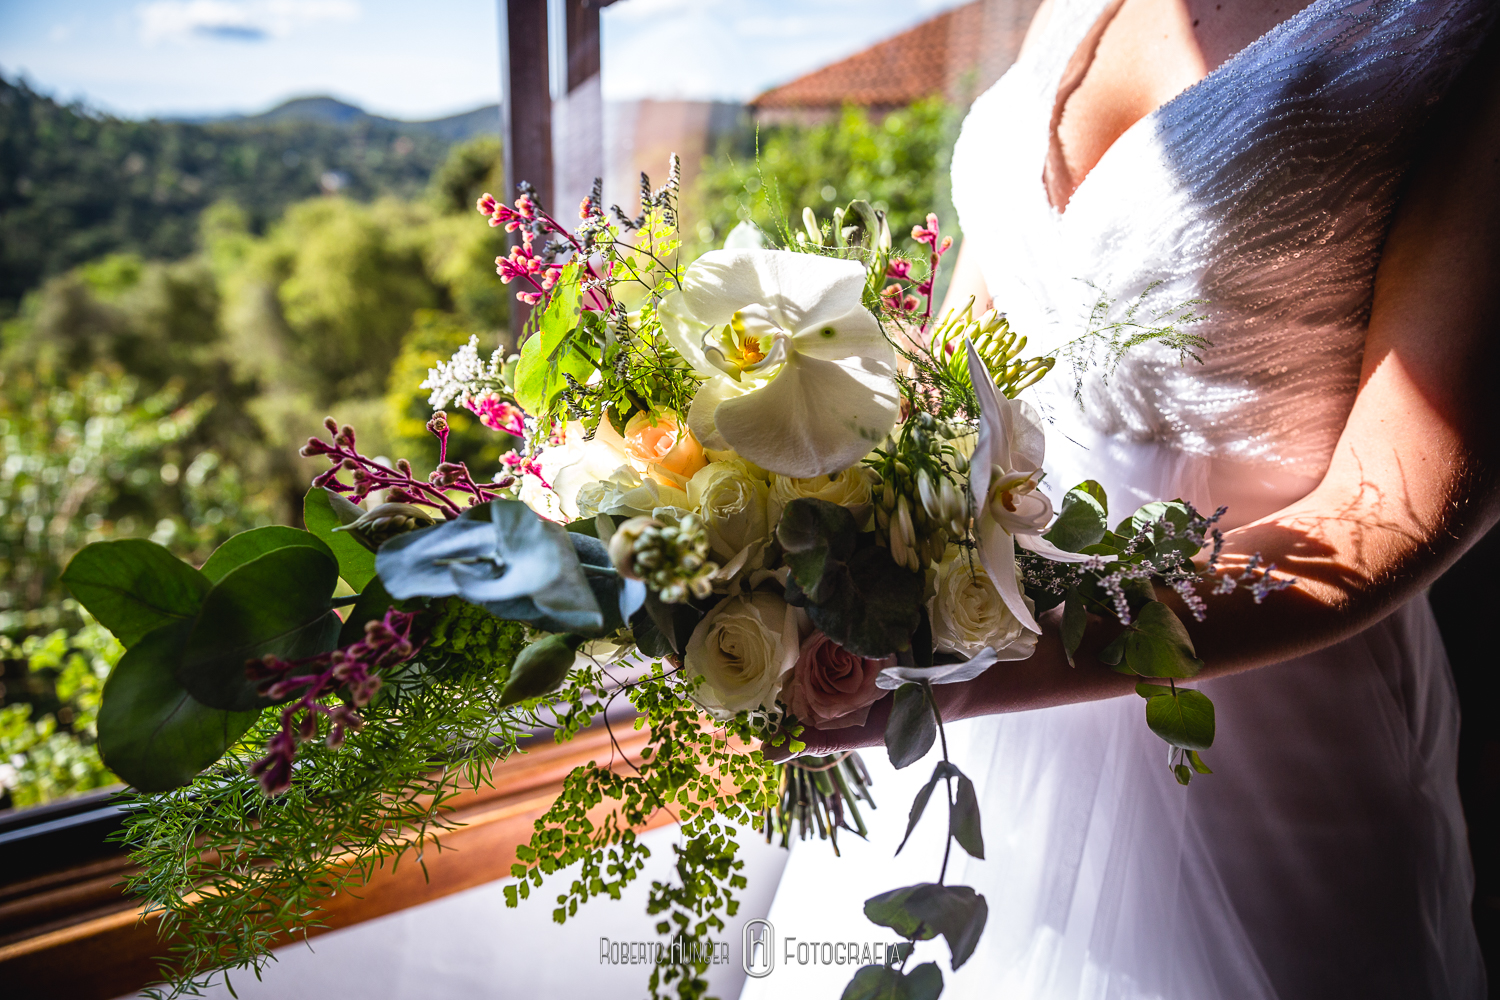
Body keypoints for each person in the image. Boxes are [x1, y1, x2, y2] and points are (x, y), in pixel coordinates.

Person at [746, 0, 1499, 997]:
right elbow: (980, 349)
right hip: (972, 679)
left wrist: (975, 669)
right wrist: (776, 517)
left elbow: (1386, 510)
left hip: (1255, 728)